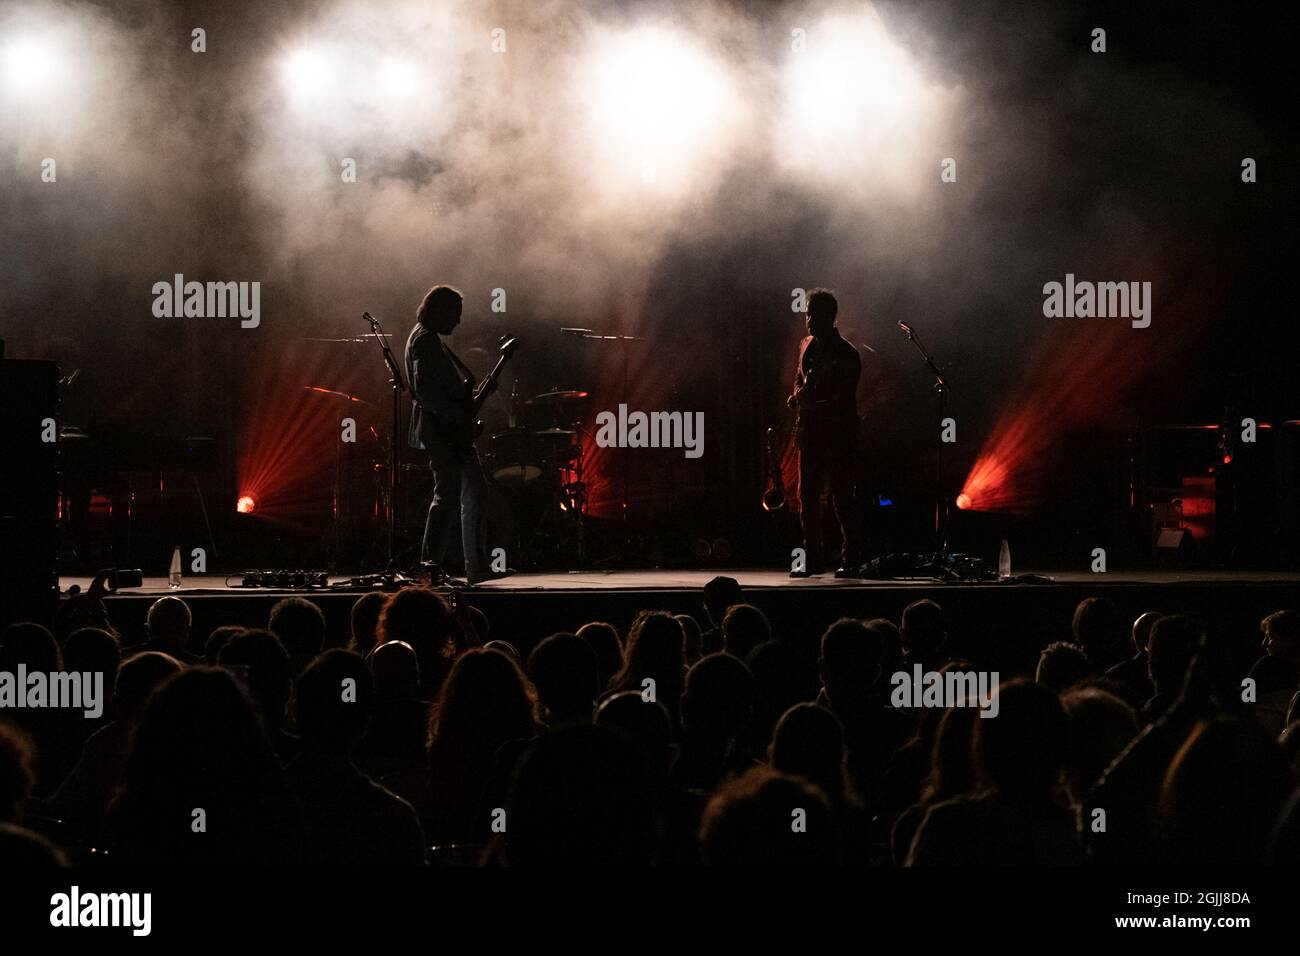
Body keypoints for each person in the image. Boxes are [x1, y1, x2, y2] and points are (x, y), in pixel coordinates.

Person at [405, 284, 509, 584]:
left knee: (466, 493)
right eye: (456, 314)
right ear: (440, 310)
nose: (459, 322)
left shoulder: (428, 339)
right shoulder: (425, 341)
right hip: (443, 432)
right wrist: (459, 419)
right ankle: (435, 568)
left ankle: (462, 567)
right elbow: (427, 393)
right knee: (453, 495)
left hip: (445, 430)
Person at [787, 289, 862, 578]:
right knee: (806, 495)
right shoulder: (806, 345)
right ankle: (812, 558)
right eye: (807, 314)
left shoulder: (846, 353)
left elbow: (844, 395)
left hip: (838, 432)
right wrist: (798, 393)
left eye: (814, 315)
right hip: (811, 431)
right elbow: (798, 377)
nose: (808, 321)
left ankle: (851, 558)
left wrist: (810, 397)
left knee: (842, 496)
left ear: (829, 317)